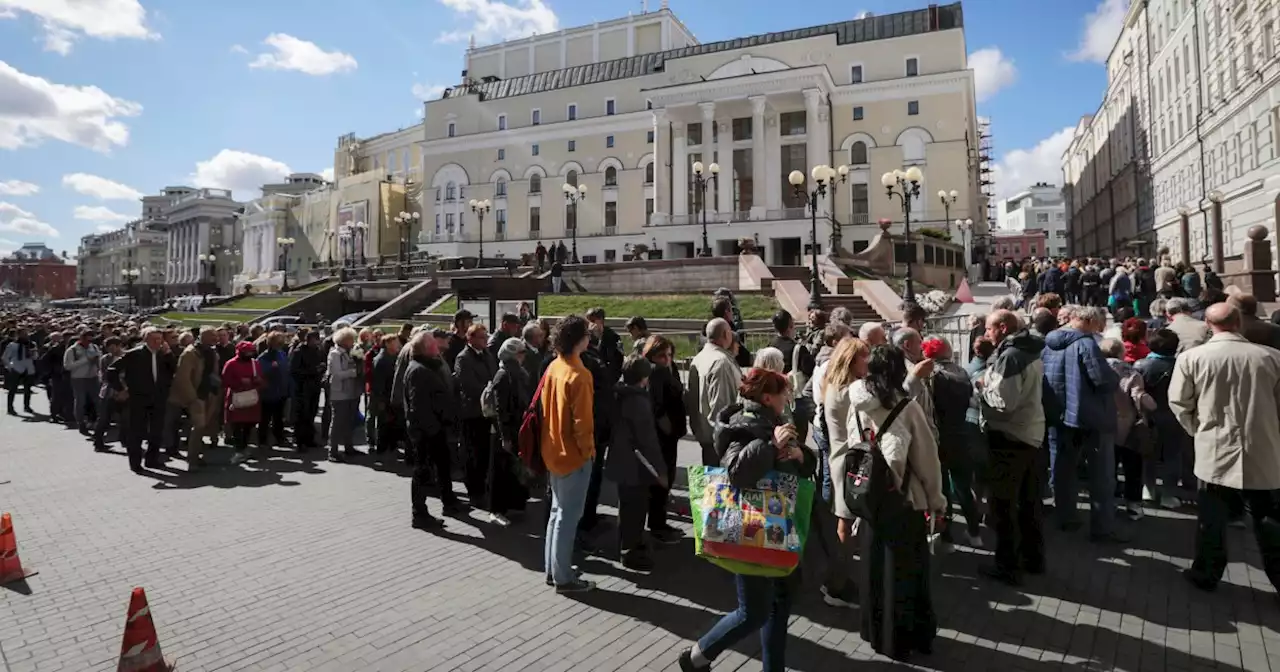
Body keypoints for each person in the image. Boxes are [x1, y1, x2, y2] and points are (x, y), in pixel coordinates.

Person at [679, 368, 816, 672]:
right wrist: (771, 446)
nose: (787, 399)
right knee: (753, 612)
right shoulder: (743, 426)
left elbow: (804, 462)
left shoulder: (776, 420)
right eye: (783, 394)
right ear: (767, 397)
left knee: (780, 605)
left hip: (781, 525)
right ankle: (696, 656)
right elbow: (738, 472)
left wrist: (800, 456)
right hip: (751, 526)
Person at [1170, 303, 1280, 593]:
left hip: (1215, 448)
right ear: (1239, 322)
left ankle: (1206, 573)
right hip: (1264, 447)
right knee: (1269, 519)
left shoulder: (1192, 358)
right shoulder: (1270, 357)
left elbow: (1179, 403)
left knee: (1212, 518)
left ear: (1207, 323)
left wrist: (1198, 431)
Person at [845, 346, 944, 661]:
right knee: (906, 572)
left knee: (874, 569)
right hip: (903, 499)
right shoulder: (908, 408)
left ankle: (874, 631)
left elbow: (853, 447)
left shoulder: (858, 405)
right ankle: (905, 636)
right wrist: (936, 501)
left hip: (871, 498)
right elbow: (927, 461)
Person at [1043, 306, 1124, 542]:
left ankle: (1066, 516)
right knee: (1102, 474)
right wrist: (1116, 375)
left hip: (1059, 415)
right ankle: (1102, 528)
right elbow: (1102, 380)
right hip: (1090, 417)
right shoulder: (1086, 344)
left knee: (1063, 469)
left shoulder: (1049, 343)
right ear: (1089, 322)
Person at [977, 310, 1047, 584]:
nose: (986, 334)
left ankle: (1007, 566)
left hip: (1010, 437)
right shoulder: (1030, 350)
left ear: (1002, 327)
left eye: (989, 329)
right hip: (1030, 433)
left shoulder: (1011, 357)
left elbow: (1004, 402)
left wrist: (981, 388)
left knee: (1004, 506)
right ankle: (1033, 558)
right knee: (1029, 502)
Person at [541, 315, 597, 593]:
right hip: (573, 455)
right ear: (579, 340)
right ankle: (563, 577)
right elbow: (583, 424)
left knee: (556, 512)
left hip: (553, 450)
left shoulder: (554, 366)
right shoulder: (580, 375)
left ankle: (554, 569)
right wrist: (589, 452)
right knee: (567, 516)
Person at [819, 336, 871, 608]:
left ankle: (838, 579)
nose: (869, 361)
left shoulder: (832, 385)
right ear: (852, 360)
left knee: (845, 523)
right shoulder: (852, 391)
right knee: (845, 526)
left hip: (840, 459)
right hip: (850, 463)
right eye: (865, 356)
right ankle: (835, 583)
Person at [606, 355, 668, 571]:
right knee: (635, 509)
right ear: (643, 378)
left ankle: (626, 545)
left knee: (626, 508)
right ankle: (631, 552)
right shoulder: (638, 401)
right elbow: (648, 441)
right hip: (635, 466)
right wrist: (661, 471)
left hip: (621, 460)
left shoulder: (619, 394)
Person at [405, 332, 459, 528]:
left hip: (436, 428)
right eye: (434, 344)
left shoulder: (428, 366)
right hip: (427, 432)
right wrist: (433, 429)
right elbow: (418, 406)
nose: (438, 346)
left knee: (443, 466)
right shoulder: (419, 370)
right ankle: (419, 512)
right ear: (427, 348)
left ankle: (449, 500)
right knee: (422, 471)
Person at [106, 328, 174, 473]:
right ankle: (136, 463)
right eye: (154, 339)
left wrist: (169, 354)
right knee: (136, 432)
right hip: (138, 399)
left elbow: (173, 371)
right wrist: (121, 389)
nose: (158, 342)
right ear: (145, 340)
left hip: (158, 398)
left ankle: (152, 460)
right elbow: (111, 371)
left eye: (160, 339)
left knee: (156, 431)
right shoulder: (134, 354)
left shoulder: (163, 354)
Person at [643, 335, 687, 544]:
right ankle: (657, 526)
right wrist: (668, 429)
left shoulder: (670, 369)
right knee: (660, 480)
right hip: (663, 436)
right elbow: (657, 407)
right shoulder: (655, 373)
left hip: (672, 434)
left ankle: (660, 522)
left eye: (669, 355)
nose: (666, 359)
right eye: (661, 355)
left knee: (666, 478)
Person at [487, 336, 532, 525]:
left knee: (514, 468)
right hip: (505, 430)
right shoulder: (504, 375)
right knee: (501, 470)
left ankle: (514, 505)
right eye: (520, 352)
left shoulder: (519, 373)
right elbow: (501, 409)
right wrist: (504, 436)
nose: (523, 356)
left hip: (516, 428)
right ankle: (496, 510)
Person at [687, 318, 744, 465]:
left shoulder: (699, 358)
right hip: (719, 443)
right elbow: (722, 408)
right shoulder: (721, 362)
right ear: (726, 334)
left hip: (706, 437)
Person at [454, 323, 498, 504]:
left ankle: (484, 485)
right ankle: (474, 489)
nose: (486, 339)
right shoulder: (463, 358)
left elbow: (495, 375)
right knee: (473, 452)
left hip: (488, 413)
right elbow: (468, 385)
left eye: (486, 336)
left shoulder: (487, 355)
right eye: (481, 336)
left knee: (486, 451)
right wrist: (488, 391)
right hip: (472, 412)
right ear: (470, 339)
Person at [169, 327, 219, 472]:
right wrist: (193, 398)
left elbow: (214, 373)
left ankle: (196, 455)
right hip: (197, 395)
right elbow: (183, 378)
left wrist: (217, 390)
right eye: (212, 336)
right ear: (203, 338)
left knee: (203, 425)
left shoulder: (212, 352)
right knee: (198, 426)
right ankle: (192, 460)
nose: (215, 339)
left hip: (209, 393)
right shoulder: (190, 353)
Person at [223, 340, 265, 463]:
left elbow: (261, 381)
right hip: (236, 398)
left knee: (249, 424)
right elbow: (225, 381)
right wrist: (240, 383)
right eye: (246, 352)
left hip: (251, 399)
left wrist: (257, 381)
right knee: (237, 425)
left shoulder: (255, 363)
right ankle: (239, 450)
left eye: (250, 352)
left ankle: (244, 448)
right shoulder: (230, 364)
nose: (248, 354)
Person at [326, 326, 363, 462]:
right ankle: (333, 450)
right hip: (339, 392)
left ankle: (349, 447)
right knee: (337, 422)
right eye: (350, 339)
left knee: (349, 421)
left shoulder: (351, 352)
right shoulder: (335, 354)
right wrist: (353, 372)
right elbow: (336, 374)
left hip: (352, 391)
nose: (352, 342)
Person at [289, 330, 324, 451]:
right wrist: (313, 371)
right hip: (303, 387)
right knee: (302, 414)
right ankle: (300, 441)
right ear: (308, 340)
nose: (317, 342)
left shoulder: (317, 351)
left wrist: (320, 369)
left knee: (311, 413)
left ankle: (309, 439)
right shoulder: (299, 352)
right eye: (315, 339)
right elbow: (294, 370)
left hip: (314, 385)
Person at [256, 332, 290, 450]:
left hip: (281, 391)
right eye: (278, 342)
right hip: (268, 392)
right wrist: (271, 367)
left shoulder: (281, 354)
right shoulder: (264, 357)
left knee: (278, 418)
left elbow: (286, 369)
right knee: (265, 418)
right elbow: (260, 372)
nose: (281, 344)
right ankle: (262, 440)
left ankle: (279, 437)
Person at [62, 329, 100, 433]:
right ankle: (80, 422)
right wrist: (86, 360)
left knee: (98, 400)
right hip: (79, 378)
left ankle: (99, 421)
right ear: (81, 338)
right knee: (80, 401)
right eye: (87, 340)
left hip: (93, 377)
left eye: (90, 340)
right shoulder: (72, 350)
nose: (88, 343)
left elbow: (99, 360)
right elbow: (68, 366)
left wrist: (97, 363)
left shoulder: (94, 347)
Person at [370, 334, 402, 454]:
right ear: (388, 344)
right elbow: (378, 382)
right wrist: (381, 400)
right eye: (395, 342)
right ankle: (382, 447)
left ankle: (391, 445)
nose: (398, 345)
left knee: (392, 422)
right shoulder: (381, 360)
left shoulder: (392, 357)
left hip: (391, 395)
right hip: (384, 396)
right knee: (384, 422)